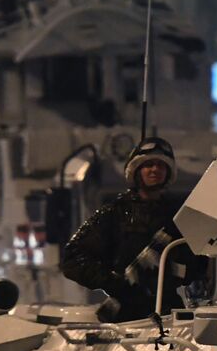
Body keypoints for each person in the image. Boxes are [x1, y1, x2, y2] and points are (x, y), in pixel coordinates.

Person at [61, 136, 188, 321]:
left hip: (170, 312)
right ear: (136, 171)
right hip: (127, 315)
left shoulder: (177, 217)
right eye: (148, 164)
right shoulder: (113, 214)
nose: (155, 170)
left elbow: (196, 264)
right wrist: (112, 282)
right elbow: (72, 259)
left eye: (161, 165)